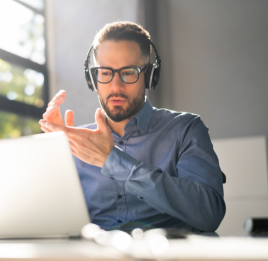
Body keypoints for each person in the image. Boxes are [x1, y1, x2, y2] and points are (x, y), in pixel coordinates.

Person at [39, 21, 225, 233]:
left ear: (148, 76)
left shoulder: (186, 129)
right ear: (93, 78)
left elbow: (209, 213)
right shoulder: (76, 143)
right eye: (105, 73)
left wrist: (111, 159)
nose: (116, 86)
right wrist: (52, 156)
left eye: (128, 72)